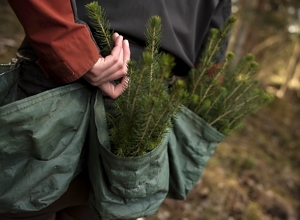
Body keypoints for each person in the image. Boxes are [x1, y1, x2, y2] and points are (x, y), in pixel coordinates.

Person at [1, 0, 231, 219]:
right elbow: (211, 63)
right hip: (136, 96)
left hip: (59, 84)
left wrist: (73, 49)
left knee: (18, 206)